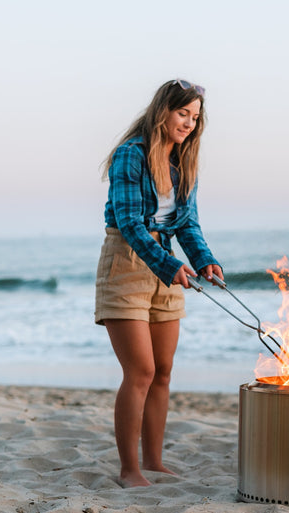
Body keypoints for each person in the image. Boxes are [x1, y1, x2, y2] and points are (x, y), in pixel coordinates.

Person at [95, 79, 224, 488]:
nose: (188, 123)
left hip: (164, 261)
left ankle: (153, 460)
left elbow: (188, 224)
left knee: (164, 371)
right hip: (128, 262)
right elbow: (130, 224)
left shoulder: (184, 161)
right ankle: (128, 470)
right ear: (163, 110)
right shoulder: (129, 155)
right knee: (141, 371)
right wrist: (168, 265)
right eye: (182, 113)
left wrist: (204, 260)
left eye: (195, 117)